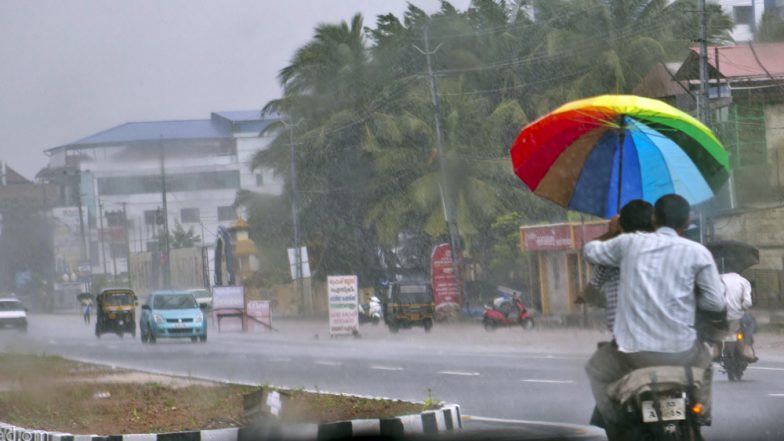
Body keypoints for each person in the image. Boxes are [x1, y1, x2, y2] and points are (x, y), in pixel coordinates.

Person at [583, 194, 726, 440]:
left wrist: (614, 231)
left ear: (654, 218)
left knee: (596, 369)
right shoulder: (698, 252)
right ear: (687, 222)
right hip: (682, 353)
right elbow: (715, 302)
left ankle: (615, 425)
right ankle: (701, 412)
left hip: (634, 354)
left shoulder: (629, 244)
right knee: (706, 361)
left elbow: (589, 251)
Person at [589, 199, 654, 332]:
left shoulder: (612, 254)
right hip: (658, 332)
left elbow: (593, 286)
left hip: (623, 333)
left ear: (621, 225)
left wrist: (611, 233)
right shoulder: (664, 251)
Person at [717, 271, 756, 361]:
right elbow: (748, 303)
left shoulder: (717, 279)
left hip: (720, 317)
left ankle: (715, 349)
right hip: (737, 317)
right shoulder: (743, 281)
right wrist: (741, 308)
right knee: (750, 321)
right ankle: (747, 348)